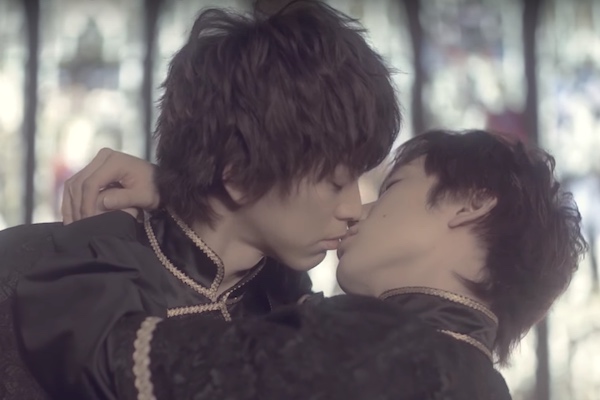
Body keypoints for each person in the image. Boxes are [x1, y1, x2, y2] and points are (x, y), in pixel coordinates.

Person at [1, 1, 400, 399]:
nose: (354, 209)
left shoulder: (290, 304)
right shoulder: (27, 271)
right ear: (238, 174)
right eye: (335, 183)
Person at [42, 129, 588, 399]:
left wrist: (183, 211)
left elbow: (99, 348)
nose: (355, 210)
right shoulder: (482, 386)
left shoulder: (373, 344)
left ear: (470, 204)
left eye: (390, 187)